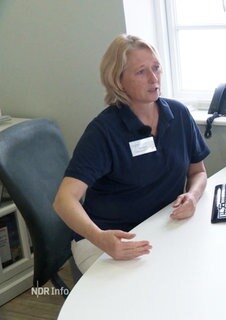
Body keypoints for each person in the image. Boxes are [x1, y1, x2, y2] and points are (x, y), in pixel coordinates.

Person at [53, 34, 210, 273]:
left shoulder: (178, 115)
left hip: (159, 226)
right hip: (108, 239)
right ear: (118, 80)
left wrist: (192, 196)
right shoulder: (104, 131)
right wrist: (101, 238)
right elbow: (64, 200)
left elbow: (197, 171)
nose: (153, 78)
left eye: (156, 68)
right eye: (141, 72)